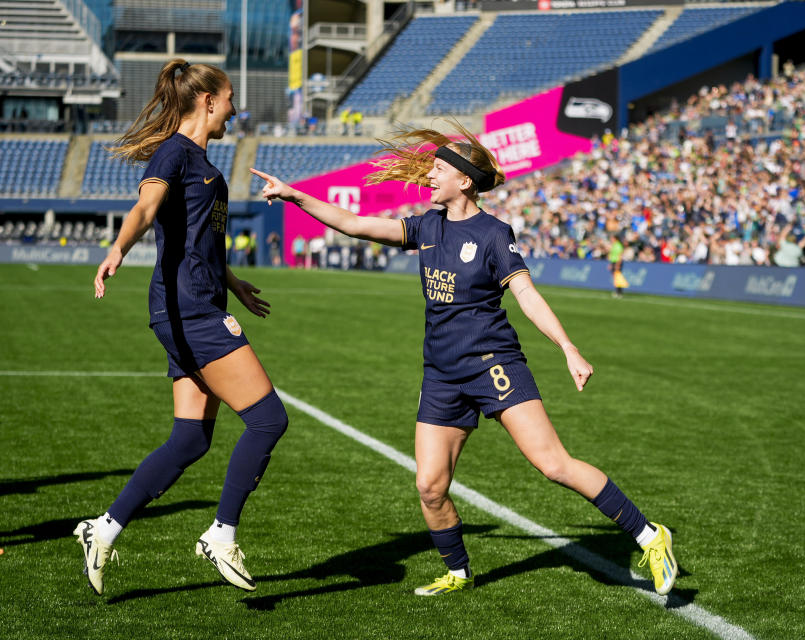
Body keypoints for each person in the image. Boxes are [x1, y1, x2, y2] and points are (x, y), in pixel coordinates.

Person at [249, 121, 678, 597]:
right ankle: (458, 571)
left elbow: (526, 293)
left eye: (437, 170)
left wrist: (568, 347)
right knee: (430, 488)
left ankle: (649, 535)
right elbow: (354, 224)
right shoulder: (425, 226)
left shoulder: (494, 233)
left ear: (464, 181)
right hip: (441, 374)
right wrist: (295, 196)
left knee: (553, 464)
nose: (428, 176)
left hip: (494, 364)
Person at [74, 58, 289, 596]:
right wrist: (118, 249)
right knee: (267, 420)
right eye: (231, 97)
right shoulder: (176, 151)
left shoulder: (203, 160)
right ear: (208, 100)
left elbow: (196, 239)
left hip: (194, 303)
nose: (236, 107)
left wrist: (232, 282)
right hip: (191, 310)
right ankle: (222, 533)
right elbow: (145, 209)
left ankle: (104, 529)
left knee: (190, 438)